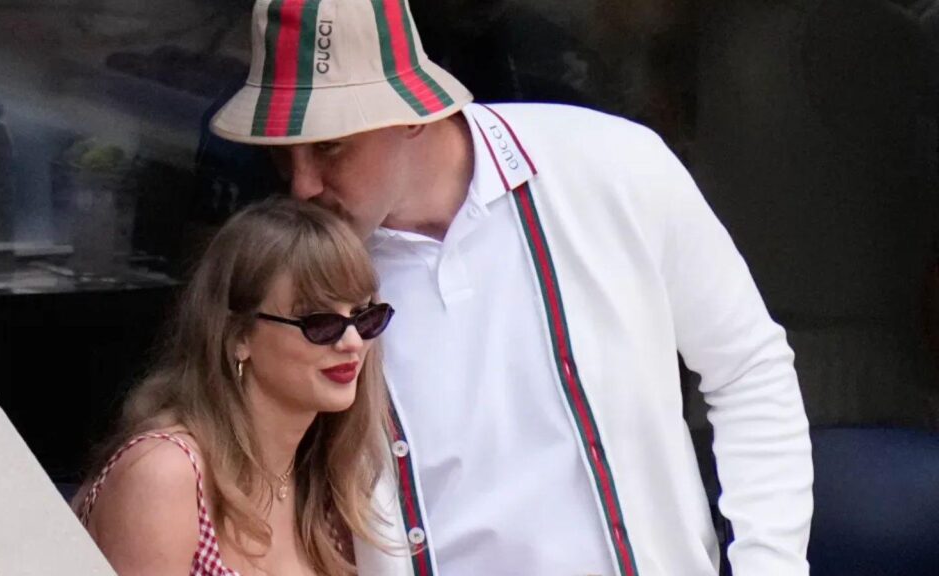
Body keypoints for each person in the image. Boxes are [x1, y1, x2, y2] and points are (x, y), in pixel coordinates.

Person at [210, 1, 814, 575]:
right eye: (283, 159)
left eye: (330, 147)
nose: (303, 185)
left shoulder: (611, 164)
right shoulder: (296, 271)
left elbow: (749, 370)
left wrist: (768, 564)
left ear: (415, 113)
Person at [73, 197, 398, 576]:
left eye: (364, 316)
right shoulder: (166, 475)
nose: (352, 342)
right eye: (319, 322)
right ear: (238, 335)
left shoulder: (331, 478)